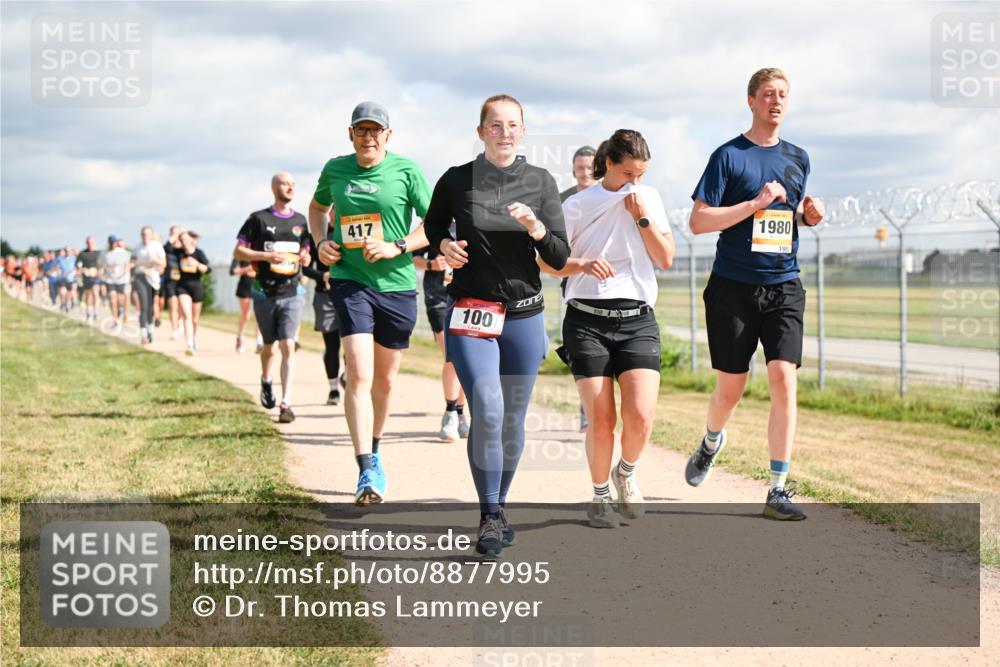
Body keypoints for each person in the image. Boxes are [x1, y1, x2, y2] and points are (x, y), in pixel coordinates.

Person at [427, 94, 570, 557]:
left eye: (512, 125)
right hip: (470, 312)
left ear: (523, 131)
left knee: (511, 419)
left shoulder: (541, 181)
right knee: (486, 408)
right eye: (495, 125)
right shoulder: (455, 180)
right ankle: (489, 513)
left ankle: (500, 505)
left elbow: (560, 256)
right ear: (480, 130)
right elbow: (431, 230)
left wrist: (536, 230)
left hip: (525, 315)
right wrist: (442, 248)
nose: (504, 132)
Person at [684, 67, 825, 521]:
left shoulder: (799, 157)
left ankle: (778, 489)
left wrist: (808, 216)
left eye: (783, 94)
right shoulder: (728, 156)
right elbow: (699, 222)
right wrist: (752, 204)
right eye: (768, 94)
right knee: (732, 386)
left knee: (784, 377)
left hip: (784, 283)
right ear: (751, 101)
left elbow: (786, 220)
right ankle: (710, 441)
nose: (776, 101)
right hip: (733, 287)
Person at [541, 130, 675, 528]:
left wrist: (642, 217)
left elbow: (665, 258)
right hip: (586, 320)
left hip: (637, 319)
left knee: (641, 415)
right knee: (601, 420)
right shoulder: (578, 205)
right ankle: (600, 495)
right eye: (629, 172)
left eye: (642, 174)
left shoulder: (648, 198)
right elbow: (548, 265)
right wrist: (581, 264)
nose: (635, 181)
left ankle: (626, 473)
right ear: (610, 164)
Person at [309, 101, 432, 506]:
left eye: (375, 130)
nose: (368, 137)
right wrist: (321, 242)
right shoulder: (335, 169)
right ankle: (366, 467)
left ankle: (375, 449)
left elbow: (432, 224)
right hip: (350, 281)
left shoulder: (406, 171)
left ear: (387, 136)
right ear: (350, 135)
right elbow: (317, 208)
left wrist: (398, 245)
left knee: (385, 380)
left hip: (396, 287)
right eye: (361, 130)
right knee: (359, 374)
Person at [234, 172, 310, 424]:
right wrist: (267, 257)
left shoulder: (300, 220)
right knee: (269, 347)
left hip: (292, 291)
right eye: (285, 183)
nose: (290, 187)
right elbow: (238, 250)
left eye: (293, 184)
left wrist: (306, 258)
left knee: (288, 344)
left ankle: (286, 403)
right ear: (274, 187)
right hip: (264, 292)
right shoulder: (258, 219)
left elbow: (306, 249)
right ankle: (266, 380)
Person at [559, 145, 598, 431]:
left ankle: (597, 405)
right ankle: (587, 407)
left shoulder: (608, 197)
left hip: (607, 279)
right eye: (580, 168)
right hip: (572, 280)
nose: (585, 173)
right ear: (573, 169)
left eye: (589, 167)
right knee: (584, 347)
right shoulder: (563, 200)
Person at [413, 246, 469, 441]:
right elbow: (413, 258)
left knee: (465, 359)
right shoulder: (435, 223)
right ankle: (451, 412)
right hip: (438, 301)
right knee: (452, 356)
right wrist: (431, 264)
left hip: (466, 300)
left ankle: (461, 413)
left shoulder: (472, 221)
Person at [302, 235, 343, 405]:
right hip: (325, 298)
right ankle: (333, 389)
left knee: (353, 344)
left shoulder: (351, 226)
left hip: (351, 296)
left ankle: (349, 377)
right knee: (331, 346)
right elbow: (305, 269)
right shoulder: (316, 237)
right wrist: (323, 276)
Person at [175, 230, 211, 355]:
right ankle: (189, 344)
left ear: (191, 240)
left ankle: (193, 339)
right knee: (187, 315)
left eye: (185, 239)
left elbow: (207, 269)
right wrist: (175, 233)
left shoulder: (199, 253)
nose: (184, 242)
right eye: (181, 240)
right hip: (182, 287)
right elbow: (167, 249)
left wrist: (195, 263)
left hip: (196, 287)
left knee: (195, 319)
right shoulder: (178, 253)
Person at [132, 226, 166, 344]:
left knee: (151, 306)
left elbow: (163, 264)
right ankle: (143, 334)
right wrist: (138, 263)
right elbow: (133, 262)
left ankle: (150, 329)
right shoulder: (137, 247)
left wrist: (154, 259)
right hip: (141, 277)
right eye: (143, 234)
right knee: (143, 305)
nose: (145, 236)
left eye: (147, 234)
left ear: (151, 235)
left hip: (153, 278)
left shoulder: (157, 246)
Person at [229, 258, 259, 353]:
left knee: (260, 315)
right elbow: (232, 271)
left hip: (258, 286)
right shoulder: (240, 254)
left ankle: (259, 341)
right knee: (246, 316)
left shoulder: (260, 250)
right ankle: (240, 338)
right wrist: (246, 269)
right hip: (244, 287)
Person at [102, 236, 131, 332]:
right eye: (111, 242)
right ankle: (115, 320)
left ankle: (121, 311)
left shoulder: (123, 253)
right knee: (112, 300)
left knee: (120, 300)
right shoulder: (106, 254)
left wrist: (123, 274)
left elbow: (127, 265)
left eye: (114, 242)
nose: (112, 244)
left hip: (121, 280)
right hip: (110, 280)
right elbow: (104, 267)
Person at [161, 225, 185, 340]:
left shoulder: (183, 249)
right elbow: (165, 247)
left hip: (183, 280)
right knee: (172, 306)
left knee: (181, 305)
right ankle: (174, 329)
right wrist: (174, 236)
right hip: (170, 280)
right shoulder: (167, 249)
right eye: (173, 233)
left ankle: (180, 321)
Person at [76, 236, 103, 322]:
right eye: (88, 242)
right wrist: (83, 270)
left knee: (95, 292)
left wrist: (99, 271)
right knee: (89, 295)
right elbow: (78, 266)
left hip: (96, 277)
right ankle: (89, 313)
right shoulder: (82, 254)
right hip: (86, 277)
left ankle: (96, 312)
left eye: (91, 242)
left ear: (94, 243)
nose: (90, 244)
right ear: (86, 243)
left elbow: (102, 265)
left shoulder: (98, 253)